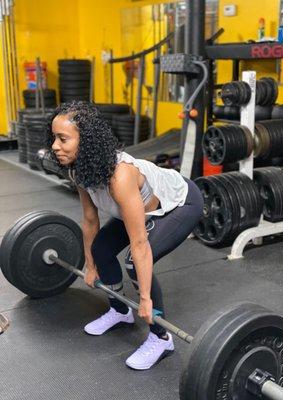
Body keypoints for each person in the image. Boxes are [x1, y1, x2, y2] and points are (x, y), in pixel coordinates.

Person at [48, 101, 203, 370]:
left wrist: (145, 299)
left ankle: (161, 337)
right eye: (54, 138)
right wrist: (91, 265)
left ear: (86, 141)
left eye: (63, 139)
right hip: (139, 208)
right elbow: (89, 219)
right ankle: (120, 311)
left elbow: (140, 243)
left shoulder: (120, 177)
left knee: (134, 260)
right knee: (101, 249)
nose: (54, 146)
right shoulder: (80, 169)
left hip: (179, 203)